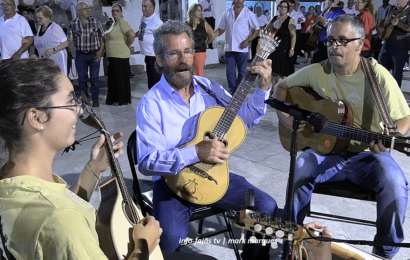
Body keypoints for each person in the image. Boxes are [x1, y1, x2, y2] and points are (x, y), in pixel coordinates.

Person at [136, 20, 277, 260]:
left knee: (265, 207)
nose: (183, 58)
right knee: (169, 237)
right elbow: (147, 162)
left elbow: (245, 119)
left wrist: (263, 88)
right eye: (174, 53)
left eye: (188, 51)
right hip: (174, 185)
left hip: (216, 178)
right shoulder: (151, 104)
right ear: (159, 59)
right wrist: (196, 153)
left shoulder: (208, 88)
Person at [273, 15, 410, 259]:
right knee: (300, 171)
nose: (334, 46)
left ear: (360, 43)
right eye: (331, 40)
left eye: (343, 41)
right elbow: (280, 88)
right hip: (326, 152)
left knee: (396, 184)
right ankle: (291, 241)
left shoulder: (377, 76)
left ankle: (384, 253)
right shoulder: (317, 71)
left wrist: (392, 137)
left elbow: (404, 119)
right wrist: (288, 120)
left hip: (367, 155)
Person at [0, 58, 162, 260]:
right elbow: (60, 216)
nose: (78, 110)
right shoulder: (60, 216)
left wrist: (94, 168)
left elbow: (61, 206)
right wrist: (144, 245)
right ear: (37, 117)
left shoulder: (11, 178)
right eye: (70, 102)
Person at [214, 0, 260, 94]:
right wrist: (211, 35)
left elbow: (257, 29)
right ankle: (232, 90)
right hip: (229, 48)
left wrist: (248, 40)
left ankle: (239, 91)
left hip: (242, 48)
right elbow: (220, 30)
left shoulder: (248, 13)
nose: (238, 1)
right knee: (230, 72)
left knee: (242, 72)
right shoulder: (227, 13)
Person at [67, 1, 105, 107]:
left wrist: (101, 50)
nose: (88, 11)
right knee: (82, 79)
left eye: (88, 9)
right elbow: (70, 40)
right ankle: (85, 99)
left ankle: (95, 99)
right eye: (85, 9)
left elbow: (102, 37)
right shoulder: (73, 24)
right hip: (81, 55)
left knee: (94, 78)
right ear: (79, 11)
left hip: (94, 54)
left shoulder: (95, 22)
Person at [105, 3, 135, 106]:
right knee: (114, 79)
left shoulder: (123, 22)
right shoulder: (114, 23)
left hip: (120, 55)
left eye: (117, 10)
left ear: (121, 12)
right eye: (113, 11)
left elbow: (131, 34)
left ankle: (122, 100)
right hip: (113, 56)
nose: (115, 13)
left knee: (120, 79)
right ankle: (114, 99)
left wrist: (127, 45)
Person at [376, 0, 410, 88]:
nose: (397, 1)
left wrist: (399, 23)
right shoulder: (390, 9)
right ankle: (380, 91)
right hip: (387, 43)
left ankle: (395, 95)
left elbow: (408, 28)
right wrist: (380, 28)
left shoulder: (408, 10)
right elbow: (382, 22)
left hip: (401, 45)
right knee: (381, 69)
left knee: (396, 73)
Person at [267, 1, 296, 84]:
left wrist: (292, 49)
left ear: (287, 9)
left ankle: (277, 93)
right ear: (278, 8)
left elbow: (293, 35)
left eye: (284, 7)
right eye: (280, 6)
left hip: (283, 50)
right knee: (270, 72)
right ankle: (270, 93)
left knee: (278, 73)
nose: (282, 8)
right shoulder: (274, 18)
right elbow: (266, 31)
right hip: (271, 49)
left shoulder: (290, 20)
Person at [34, 6, 69, 75]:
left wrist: (53, 49)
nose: (38, 19)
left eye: (40, 18)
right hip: (46, 60)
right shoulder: (40, 27)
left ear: (48, 17)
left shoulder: (55, 28)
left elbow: (66, 43)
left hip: (57, 59)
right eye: (37, 17)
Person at [136, 0, 163, 90]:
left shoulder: (157, 22)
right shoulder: (144, 18)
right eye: (142, 6)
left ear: (152, 8)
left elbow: (163, 39)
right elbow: (142, 31)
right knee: (150, 81)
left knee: (156, 81)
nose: (143, 9)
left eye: (145, 6)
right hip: (148, 55)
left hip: (154, 56)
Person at [185, 3, 214, 77]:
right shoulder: (185, 24)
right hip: (188, 53)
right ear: (193, 12)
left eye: (201, 10)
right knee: (188, 74)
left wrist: (204, 43)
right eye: (198, 10)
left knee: (199, 74)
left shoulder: (204, 24)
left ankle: (199, 88)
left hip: (200, 52)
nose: (200, 12)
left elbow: (212, 36)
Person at [288, 0, 306, 65]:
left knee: (295, 46)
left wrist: (300, 20)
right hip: (286, 31)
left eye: (295, 5)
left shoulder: (297, 13)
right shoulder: (286, 12)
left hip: (295, 30)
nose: (292, 7)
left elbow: (303, 19)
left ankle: (293, 60)